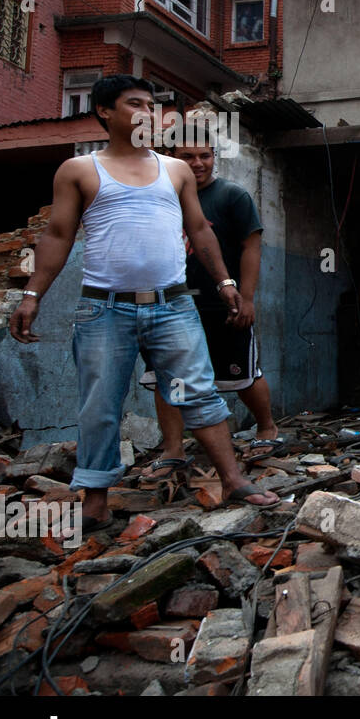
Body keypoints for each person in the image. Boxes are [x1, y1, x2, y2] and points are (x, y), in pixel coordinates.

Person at [8, 76, 279, 531]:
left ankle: (233, 480)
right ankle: (95, 500)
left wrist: (226, 282)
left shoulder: (172, 170)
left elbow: (200, 230)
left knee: (200, 393)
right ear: (104, 112)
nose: (147, 114)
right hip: (103, 309)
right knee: (100, 403)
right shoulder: (79, 170)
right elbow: (57, 235)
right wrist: (33, 294)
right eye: (134, 104)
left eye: (151, 106)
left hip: (172, 305)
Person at [139, 141, 282, 479]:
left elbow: (252, 246)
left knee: (242, 375)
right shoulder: (160, 196)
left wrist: (246, 298)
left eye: (205, 155)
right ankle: (173, 449)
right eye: (188, 156)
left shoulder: (232, 196)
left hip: (223, 303)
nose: (198, 163)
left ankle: (267, 429)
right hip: (170, 304)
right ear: (172, 158)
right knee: (167, 378)